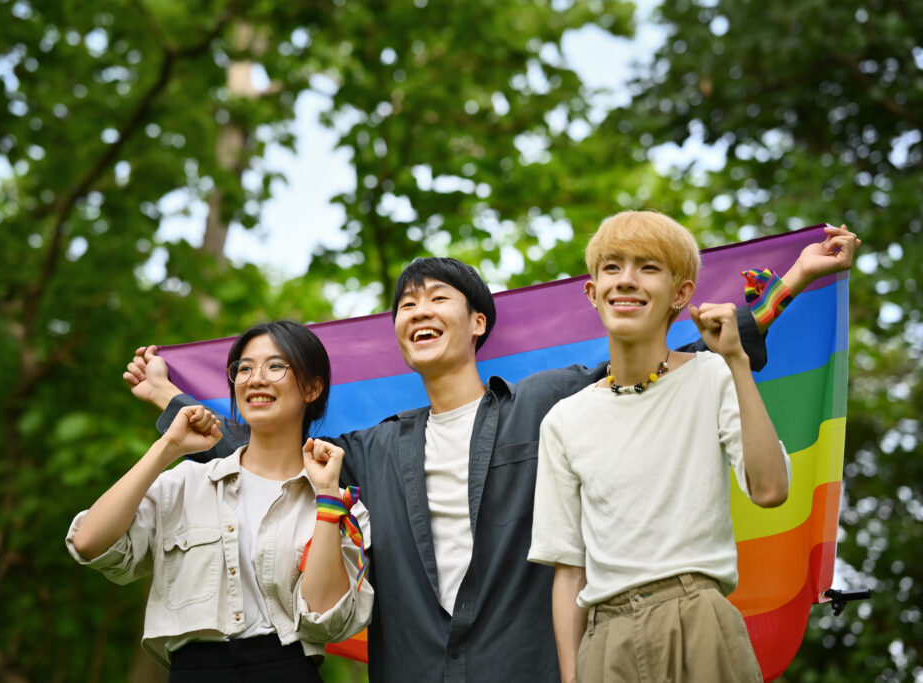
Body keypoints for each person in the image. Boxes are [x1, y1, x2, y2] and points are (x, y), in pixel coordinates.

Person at [124, 226, 859, 682]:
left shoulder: (546, 402)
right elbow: (269, 451)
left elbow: (672, 357)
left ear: (476, 322)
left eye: (436, 297)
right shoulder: (374, 448)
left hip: (532, 665)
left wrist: (787, 285)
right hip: (414, 669)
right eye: (406, 303)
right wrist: (168, 401)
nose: (417, 309)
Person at [528, 211, 792, 682]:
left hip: (698, 618)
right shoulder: (564, 420)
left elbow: (770, 489)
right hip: (605, 640)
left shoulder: (714, 374)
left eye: (648, 267)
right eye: (612, 267)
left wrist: (735, 360)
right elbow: (569, 570)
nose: (626, 281)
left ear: (681, 294)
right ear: (592, 292)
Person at [66, 321, 373, 682]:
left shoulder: (339, 503)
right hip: (193, 670)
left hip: (287, 669)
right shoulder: (187, 482)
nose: (255, 379)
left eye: (276, 366)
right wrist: (168, 448)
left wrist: (325, 499)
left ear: (312, 386)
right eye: (244, 368)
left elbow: (326, 617)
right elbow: (89, 543)